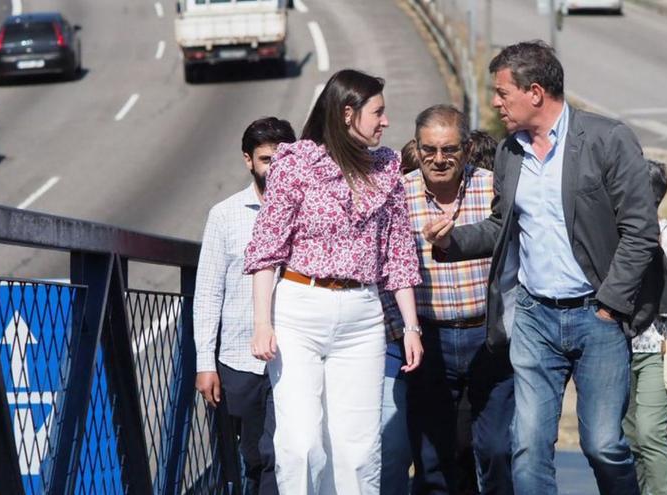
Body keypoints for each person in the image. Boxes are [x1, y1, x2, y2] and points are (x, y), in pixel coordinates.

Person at [425, 40, 667, 495]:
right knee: (527, 448)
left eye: (503, 93)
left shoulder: (607, 140)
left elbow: (640, 232)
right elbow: (503, 226)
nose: (496, 103)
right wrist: (452, 240)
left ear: (536, 92)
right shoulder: (509, 153)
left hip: (596, 317)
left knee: (604, 445)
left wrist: (609, 307)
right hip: (535, 319)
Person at [243, 68, 424, 495]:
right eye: (377, 112)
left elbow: (398, 253)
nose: (385, 121)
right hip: (300, 310)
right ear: (347, 113)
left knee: (357, 450)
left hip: (362, 316)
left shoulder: (387, 167)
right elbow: (267, 248)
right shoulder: (295, 163)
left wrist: (411, 327)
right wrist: (262, 323)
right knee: (303, 444)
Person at [381, 105, 513, 495]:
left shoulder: (493, 187)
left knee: (496, 450)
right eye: (429, 150)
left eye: (449, 150)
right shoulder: (397, 196)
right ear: (417, 148)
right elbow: (383, 269)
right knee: (434, 459)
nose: (438, 160)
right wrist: (402, 331)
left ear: (468, 148)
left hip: (488, 339)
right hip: (428, 342)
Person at [193, 116, 297, 495]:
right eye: (267, 160)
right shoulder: (224, 215)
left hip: (295, 357)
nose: (276, 168)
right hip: (239, 360)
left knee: (281, 454)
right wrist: (206, 363)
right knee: (250, 456)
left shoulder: (310, 212)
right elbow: (207, 292)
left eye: (284, 159)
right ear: (248, 161)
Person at [623, 159, 667, 495]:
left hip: (659, 347)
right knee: (629, 438)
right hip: (620, 347)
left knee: (650, 433)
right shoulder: (616, 236)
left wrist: (653, 255)